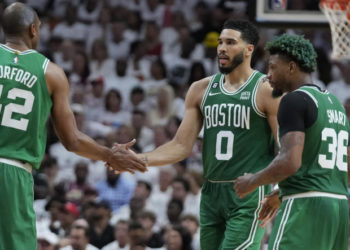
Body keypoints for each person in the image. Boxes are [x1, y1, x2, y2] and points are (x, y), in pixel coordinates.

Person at [121, 19, 280, 249]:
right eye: (220, 42)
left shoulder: (266, 89)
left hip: (248, 193)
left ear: (249, 49)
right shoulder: (200, 89)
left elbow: (286, 147)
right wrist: (140, 159)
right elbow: (180, 146)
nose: (222, 48)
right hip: (211, 193)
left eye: (230, 42)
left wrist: (278, 191)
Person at [0, 3, 146, 250]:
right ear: (33, 30)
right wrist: (109, 155)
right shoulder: (51, 73)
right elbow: (72, 140)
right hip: (13, 172)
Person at [234, 34, 350, 250]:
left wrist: (252, 181)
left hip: (304, 207)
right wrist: (282, 192)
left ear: (291, 67)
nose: (268, 75)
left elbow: (290, 161)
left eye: (272, 67)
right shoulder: (335, 104)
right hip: (339, 208)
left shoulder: (294, 100)